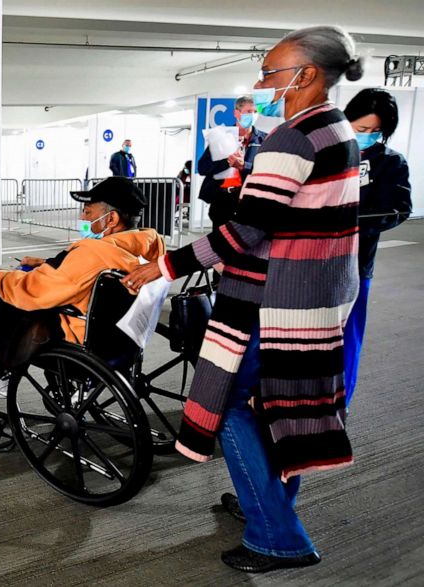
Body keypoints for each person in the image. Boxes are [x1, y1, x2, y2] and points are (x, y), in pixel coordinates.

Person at [126, 25, 363, 573]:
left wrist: (162, 266)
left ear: (305, 76)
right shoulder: (336, 128)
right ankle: (269, 499)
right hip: (316, 296)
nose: (261, 82)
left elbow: (245, 232)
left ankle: (276, 534)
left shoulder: (292, 137)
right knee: (284, 404)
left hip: (269, 298)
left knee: (229, 402)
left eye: (269, 72)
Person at [0, 177, 164, 350]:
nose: (82, 217)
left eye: (88, 211)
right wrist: (46, 263)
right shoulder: (151, 248)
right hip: (124, 339)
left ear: (111, 219)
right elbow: (79, 275)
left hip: (79, 334)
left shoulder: (93, 252)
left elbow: (35, 290)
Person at [343, 88, 413, 407]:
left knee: (347, 341)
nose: (368, 136)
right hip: (309, 263)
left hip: (356, 265)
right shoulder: (329, 153)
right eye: (361, 130)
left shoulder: (390, 162)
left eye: (375, 132)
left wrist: (354, 221)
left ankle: (337, 407)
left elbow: (399, 209)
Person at [198, 96, 267, 227]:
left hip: (249, 200)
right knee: (221, 243)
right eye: (248, 111)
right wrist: (227, 162)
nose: (252, 115)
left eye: (255, 112)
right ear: (237, 113)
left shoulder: (264, 139)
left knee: (248, 242)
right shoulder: (220, 137)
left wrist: (244, 166)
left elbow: (268, 171)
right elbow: (203, 167)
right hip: (223, 200)